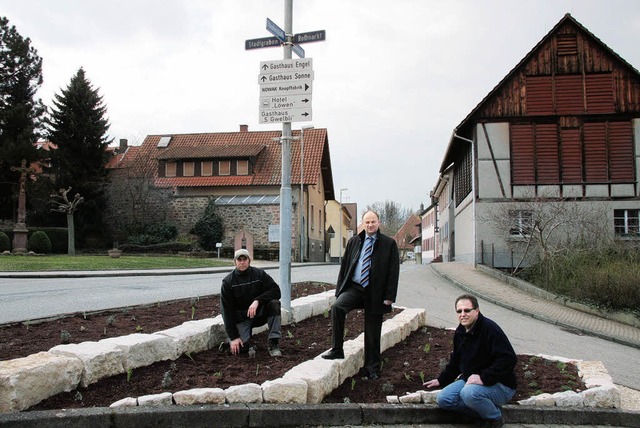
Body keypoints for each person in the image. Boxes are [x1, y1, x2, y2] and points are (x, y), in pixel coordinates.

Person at [321, 210, 400, 380]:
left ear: (379, 223)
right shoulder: (354, 241)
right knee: (337, 308)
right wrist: (339, 291)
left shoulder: (388, 244)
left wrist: (389, 296)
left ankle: (372, 367)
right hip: (355, 288)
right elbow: (345, 267)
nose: (370, 225)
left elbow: (393, 271)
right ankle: (337, 349)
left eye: (373, 222)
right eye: (367, 222)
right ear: (362, 224)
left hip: (376, 292)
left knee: (372, 330)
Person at [423, 294, 517, 427]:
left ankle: (495, 418)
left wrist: (484, 378)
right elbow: (456, 360)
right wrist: (441, 379)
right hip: (471, 380)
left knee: (468, 394)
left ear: (477, 311)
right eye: (459, 311)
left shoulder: (490, 329)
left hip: (501, 384)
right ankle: (484, 412)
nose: (463, 314)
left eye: (467, 310)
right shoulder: (460, 332)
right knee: (444, 399)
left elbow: (509, 358)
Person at [220, 249, 282, 357]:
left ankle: (274, 343)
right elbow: (226, 312)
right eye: (239, 260)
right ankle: (230, 344)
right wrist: (234, 337)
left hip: (259, 314)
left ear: (249, 260)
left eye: (245, 259)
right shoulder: (228, 282)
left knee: (274, 304)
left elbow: (276, 291)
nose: (242, 262)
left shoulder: (259, 274)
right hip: (242, 318)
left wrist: (258, 300)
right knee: (239, 349)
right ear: (234, 262)